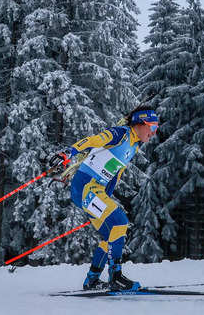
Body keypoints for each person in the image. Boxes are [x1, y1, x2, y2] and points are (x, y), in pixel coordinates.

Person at [66, 105, 159, 291]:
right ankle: (115, 277)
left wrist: (105, 198)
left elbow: (113, 173)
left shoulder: (133, 144)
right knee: (119, 222)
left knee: (111, 234)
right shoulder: (120, 134)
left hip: (95, 190)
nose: (154, 133)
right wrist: (68, 152)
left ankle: (92, 280)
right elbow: (93, 141)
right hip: (85, 187)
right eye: (153, 127)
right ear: (140, 124)